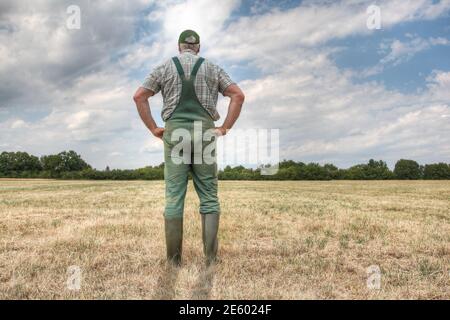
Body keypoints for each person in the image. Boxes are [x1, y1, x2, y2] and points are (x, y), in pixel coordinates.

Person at [133, 30, 245, 266]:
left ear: (179, 47)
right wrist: (224, 127)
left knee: (174, 197)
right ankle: (211, 259)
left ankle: (174, 261)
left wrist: (154, 128)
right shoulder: (212, 68)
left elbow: (139, 96)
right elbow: (238, 95)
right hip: (205, 132)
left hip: (175, 133)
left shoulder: (164, 67)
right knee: (209, 197)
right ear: (198, 48)